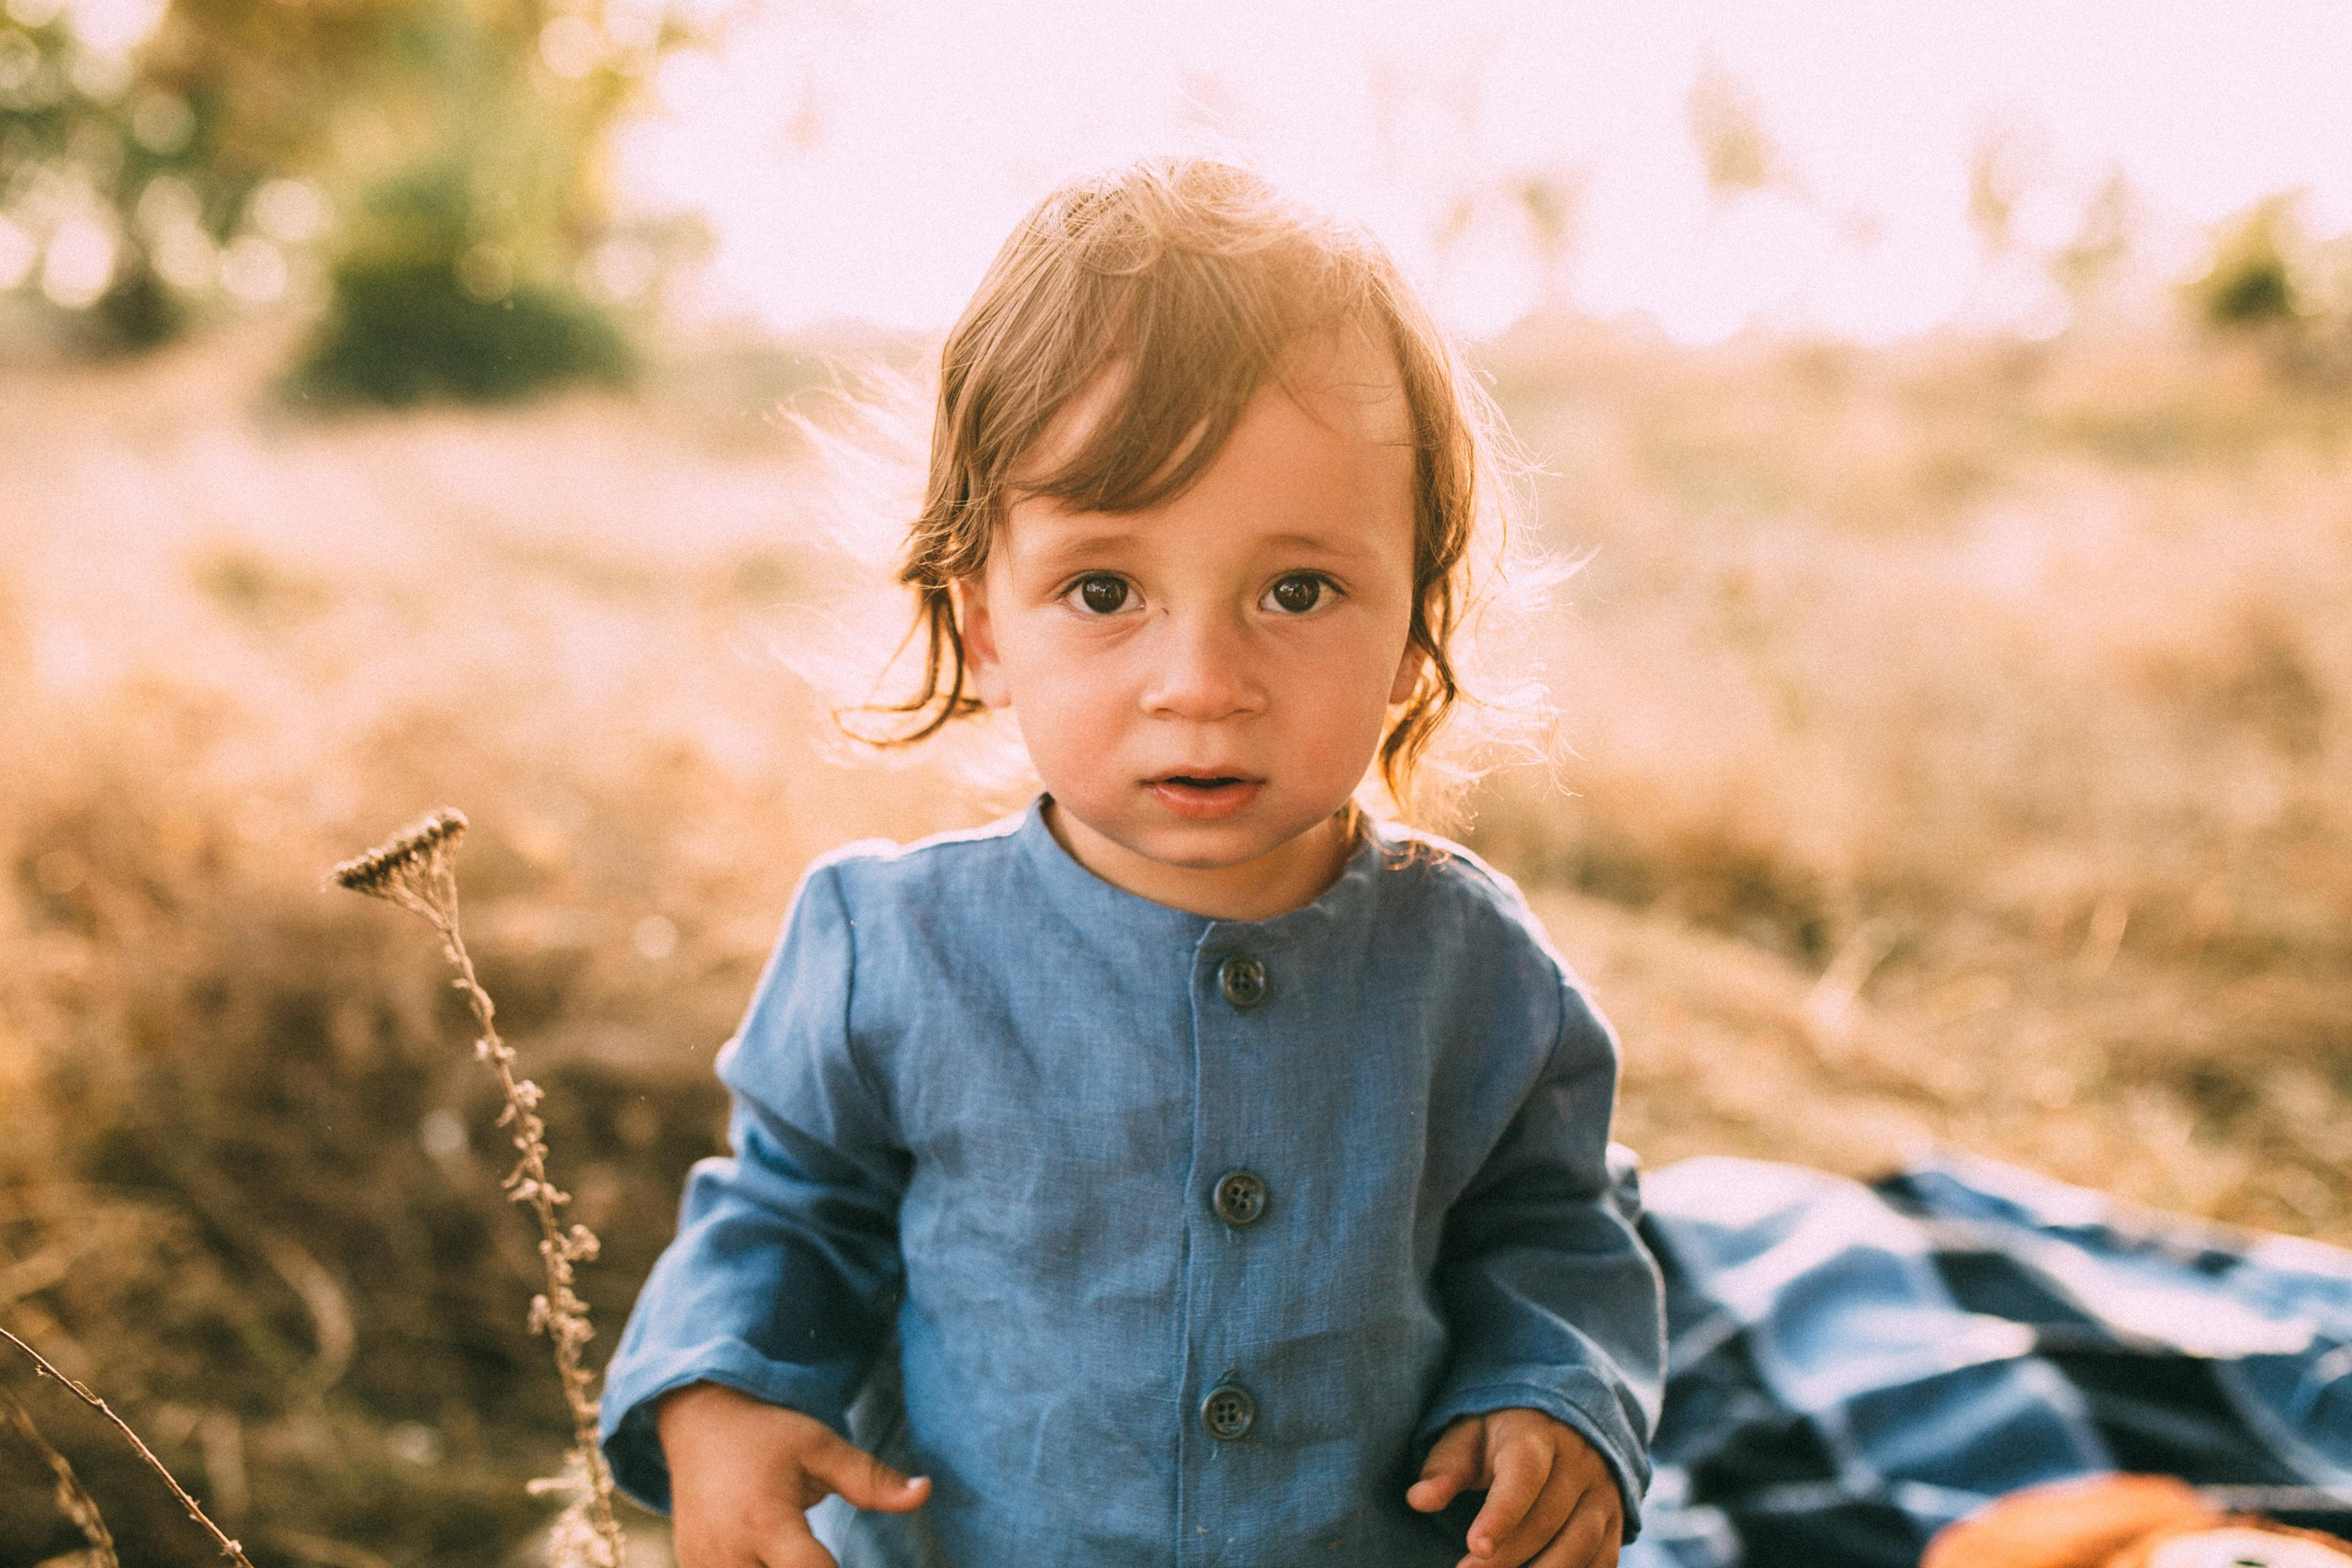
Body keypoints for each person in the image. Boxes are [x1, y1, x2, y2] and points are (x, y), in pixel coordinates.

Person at [598, 156, 1666, 1568]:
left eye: (1300, 591)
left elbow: (1556, 1226)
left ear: (1414, 628)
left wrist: (1555, 1396)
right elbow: (785, 1215)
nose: (1202, 680)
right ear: (984, 622)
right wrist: (723, 1392)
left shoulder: (1469, 966)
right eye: (1104, 592)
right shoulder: (890, 950)